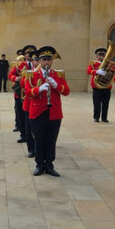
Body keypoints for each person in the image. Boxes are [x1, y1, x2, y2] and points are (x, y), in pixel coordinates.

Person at [25, 46, 69, 177]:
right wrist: (38, 89)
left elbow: (66, 91)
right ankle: (39, 165)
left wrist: (56, 85)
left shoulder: (58, 75)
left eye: (48, 60)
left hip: (54, 112)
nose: (46, 63)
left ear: (52, 61)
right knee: (39, 139)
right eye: (43, 60)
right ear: (39, 61)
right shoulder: (32, 74)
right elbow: (27, 92)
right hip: (37, 112)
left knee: (51, 140)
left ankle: (49, 165)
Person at [88, 47, 114, 122]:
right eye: (99, 55)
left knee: (106, 103)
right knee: (96, 103)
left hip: (106, 86)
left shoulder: (109, 64)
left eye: (103, 54)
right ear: (97, 56)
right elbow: (88, 70)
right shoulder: (93, 63)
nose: (101, 56)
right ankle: (96, 117)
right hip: (96, 86)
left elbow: (114, 71)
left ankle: (104, 117)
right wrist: (96, 72)